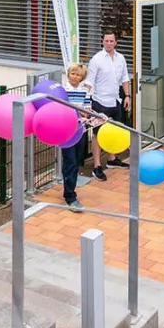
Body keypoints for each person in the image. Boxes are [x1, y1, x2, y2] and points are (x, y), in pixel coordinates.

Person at [84, 31, 131, 182]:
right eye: (106, 41)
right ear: (103, 42)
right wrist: (86, 102)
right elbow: (89, 82)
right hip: (99, 102)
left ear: (116, 42)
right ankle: (97, 166)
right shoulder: (96, 59)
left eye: (111, 41)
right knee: (98, 134)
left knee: (114, 130)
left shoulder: (121, 58)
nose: (109, 43)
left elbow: (125, 78)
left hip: (115, 100)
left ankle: (112, 159)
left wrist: (127, 96)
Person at [61, 62, 92, 210]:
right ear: (68, 74)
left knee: (77, 160)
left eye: (78, 74)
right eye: (72, 73)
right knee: (70, 161)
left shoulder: (85, 90)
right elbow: (61, 108)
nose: (74, 76)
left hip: (80, 129)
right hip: (66, 130)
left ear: (82, 77)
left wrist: (86, 113)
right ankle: (70, 196)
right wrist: (76, 111)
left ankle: (69, 188)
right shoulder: (62, 90)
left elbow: (87, 108)